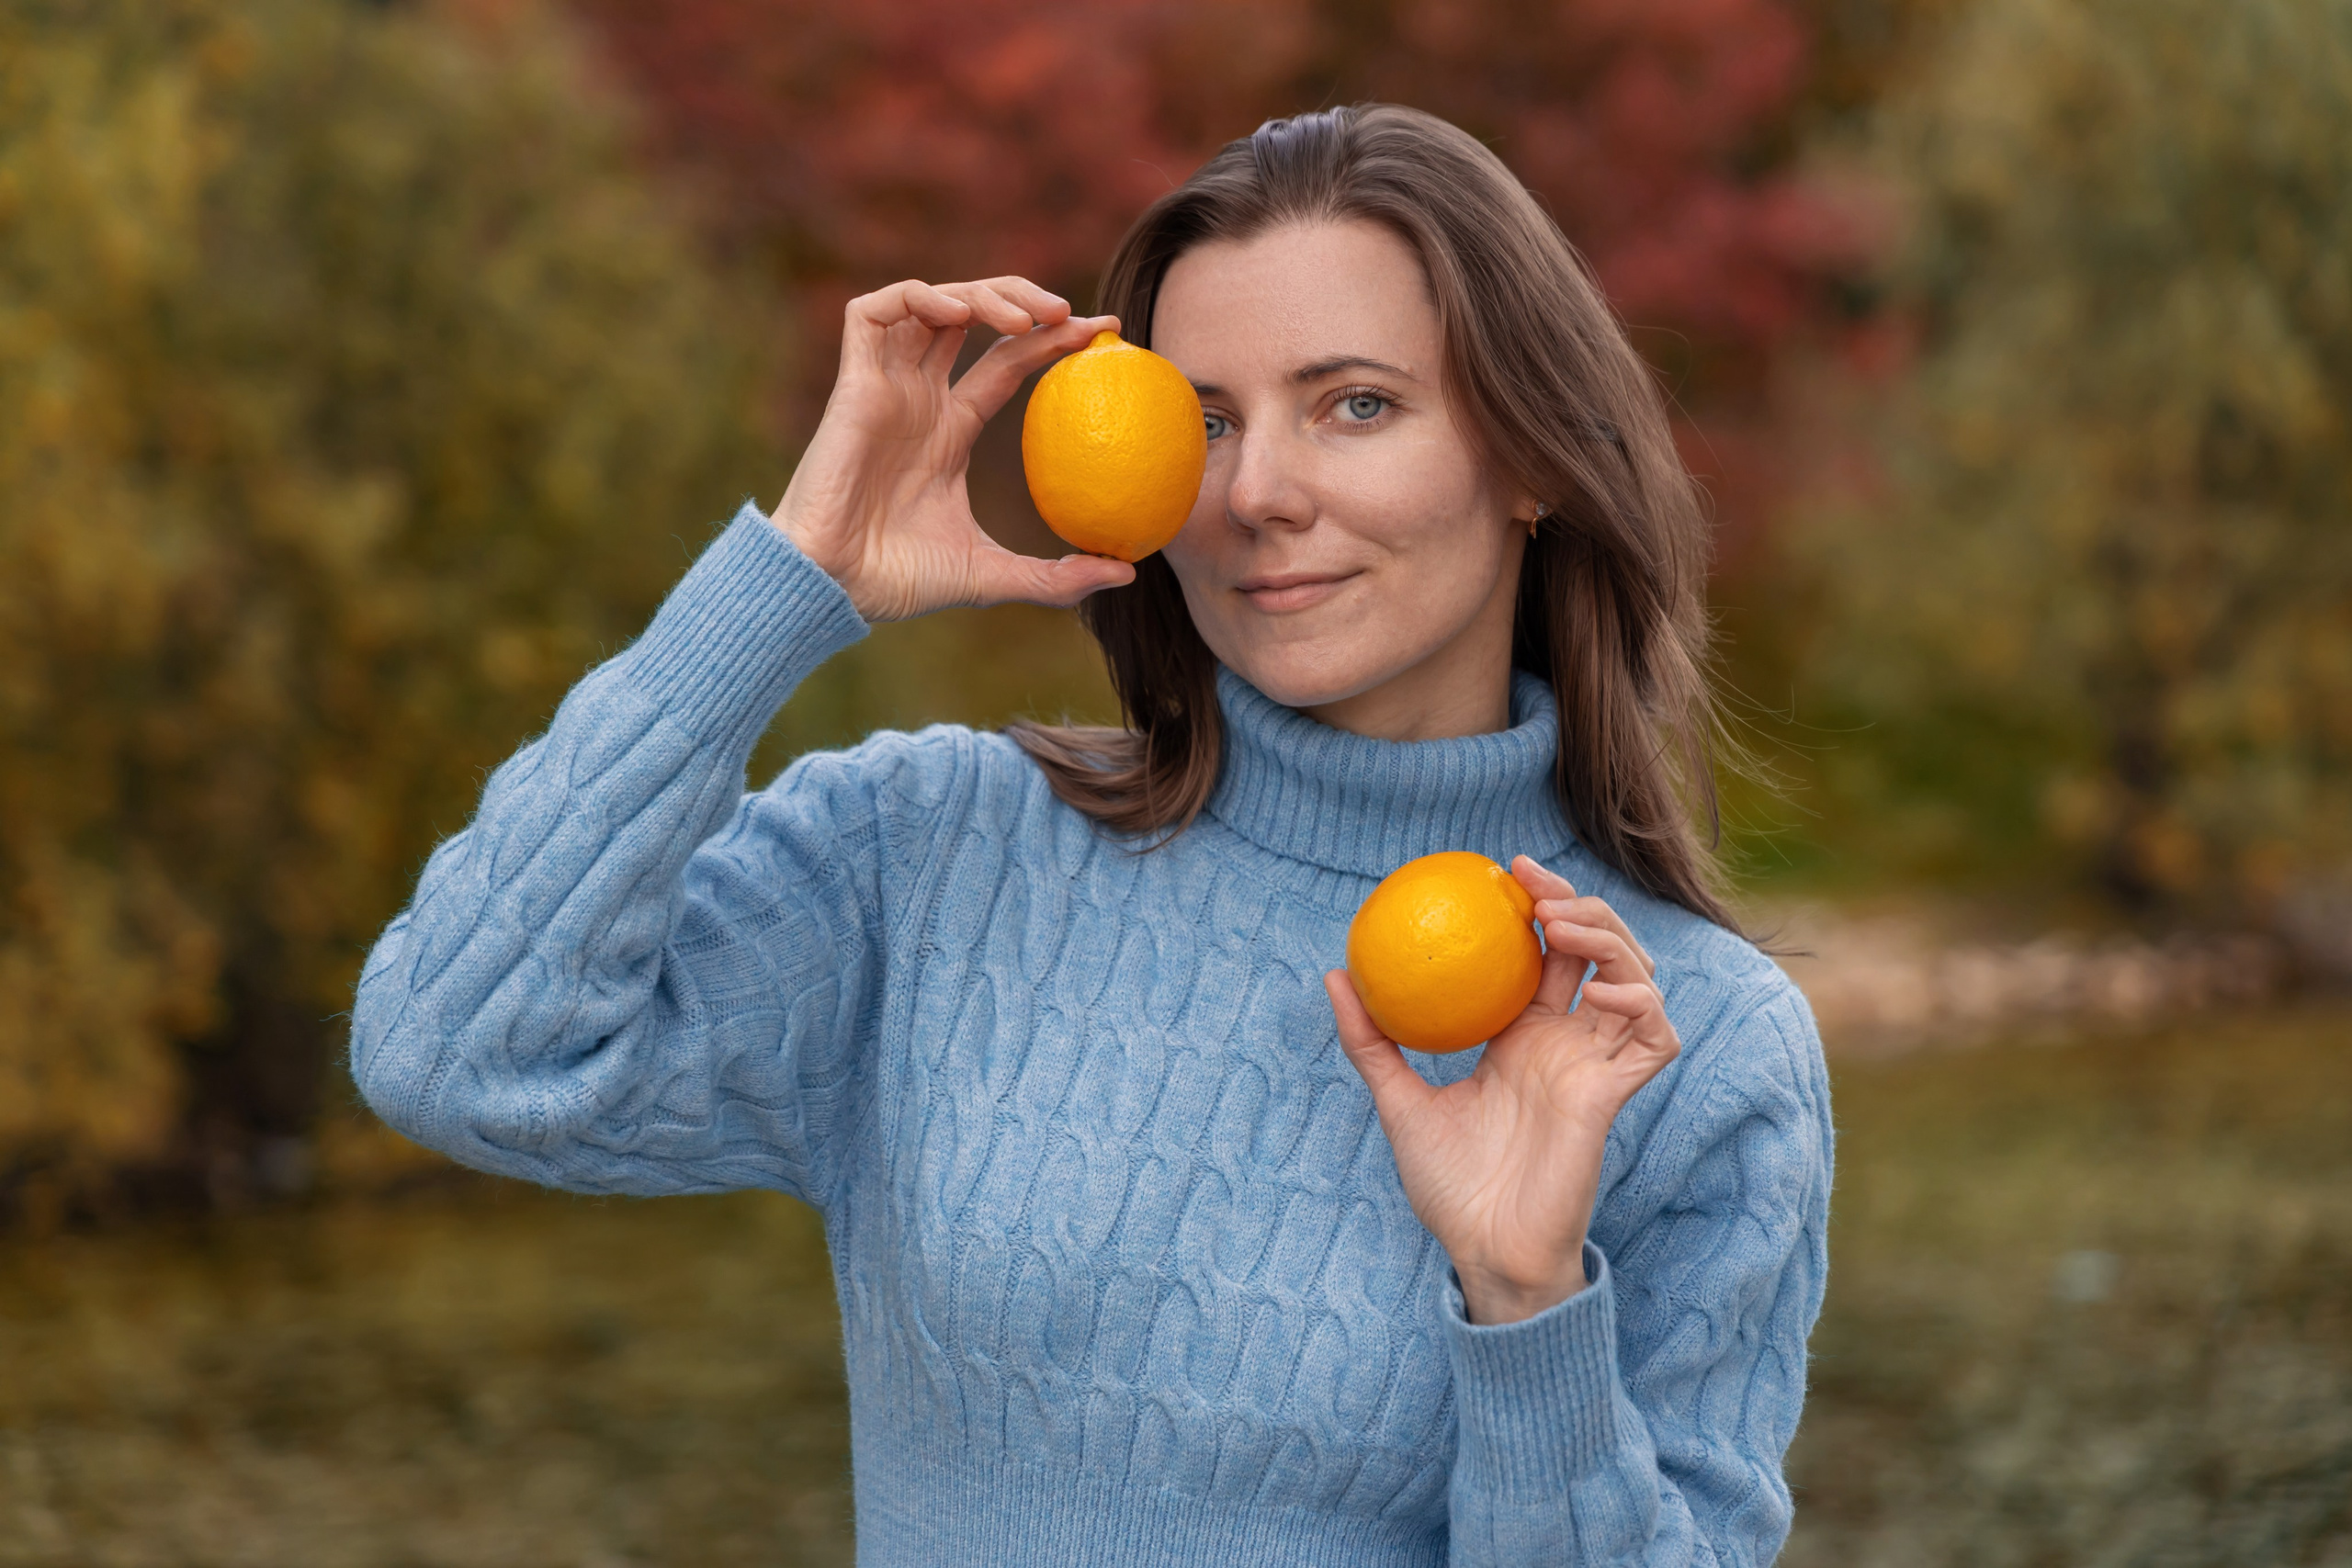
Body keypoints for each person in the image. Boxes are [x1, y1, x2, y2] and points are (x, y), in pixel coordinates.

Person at [353, 104, 1832, 1566]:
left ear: (1536, 458)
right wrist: (788, 583)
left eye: (1356, 405)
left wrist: (1526, 1304)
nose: (1256, 495)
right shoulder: (934, 857)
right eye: (1205, 424)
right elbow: (460, 1054)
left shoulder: (1677, 1040)